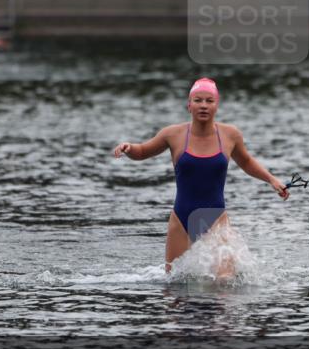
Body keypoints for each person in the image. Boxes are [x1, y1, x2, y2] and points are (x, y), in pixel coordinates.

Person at [112, 77, 289, 273]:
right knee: (174, 285)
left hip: (216, 219)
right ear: (189, 105)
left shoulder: (230, 135)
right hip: (181, 219)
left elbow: (246, 162)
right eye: (198, 100)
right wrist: (129, 148)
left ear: (216, 105)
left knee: (224, 283)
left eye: (209, 101)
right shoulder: (173, 134)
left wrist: (271, 179)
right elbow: (144, 151)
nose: (203, 105)